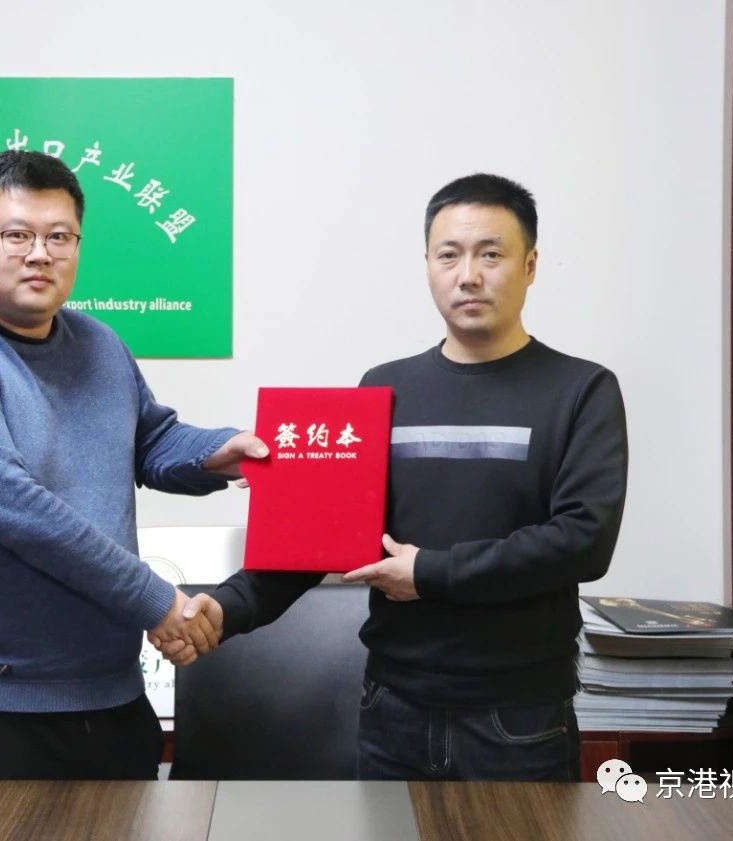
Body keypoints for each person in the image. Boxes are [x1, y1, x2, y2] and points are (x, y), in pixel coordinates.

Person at [159, 173, 628, 782]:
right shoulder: (385, 387)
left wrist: (430, 573)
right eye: (449, 255)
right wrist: (225, 608)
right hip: (393, 710)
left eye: (491, 254)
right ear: (428, 266)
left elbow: (583, 541)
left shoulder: (582, 389)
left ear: (530, 265)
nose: (468, 275)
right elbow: (323, 538)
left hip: (519, 718)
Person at [0, 150, 266, 781]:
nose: (40, 255)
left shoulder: (99, 343)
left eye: (59, 237)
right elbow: (21, 512)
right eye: (17, 235)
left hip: (108, 693)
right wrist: (157, 602)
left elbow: (151, 439)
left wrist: (220, 453)